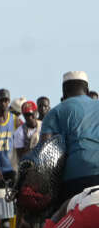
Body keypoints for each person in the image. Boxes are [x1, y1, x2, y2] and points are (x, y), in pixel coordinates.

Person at [39, 70, 99, 206]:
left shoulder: (54, 113)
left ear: (64, 92)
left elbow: (44, 155)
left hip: (75, 180)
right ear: (87, 90)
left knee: (58, 217)